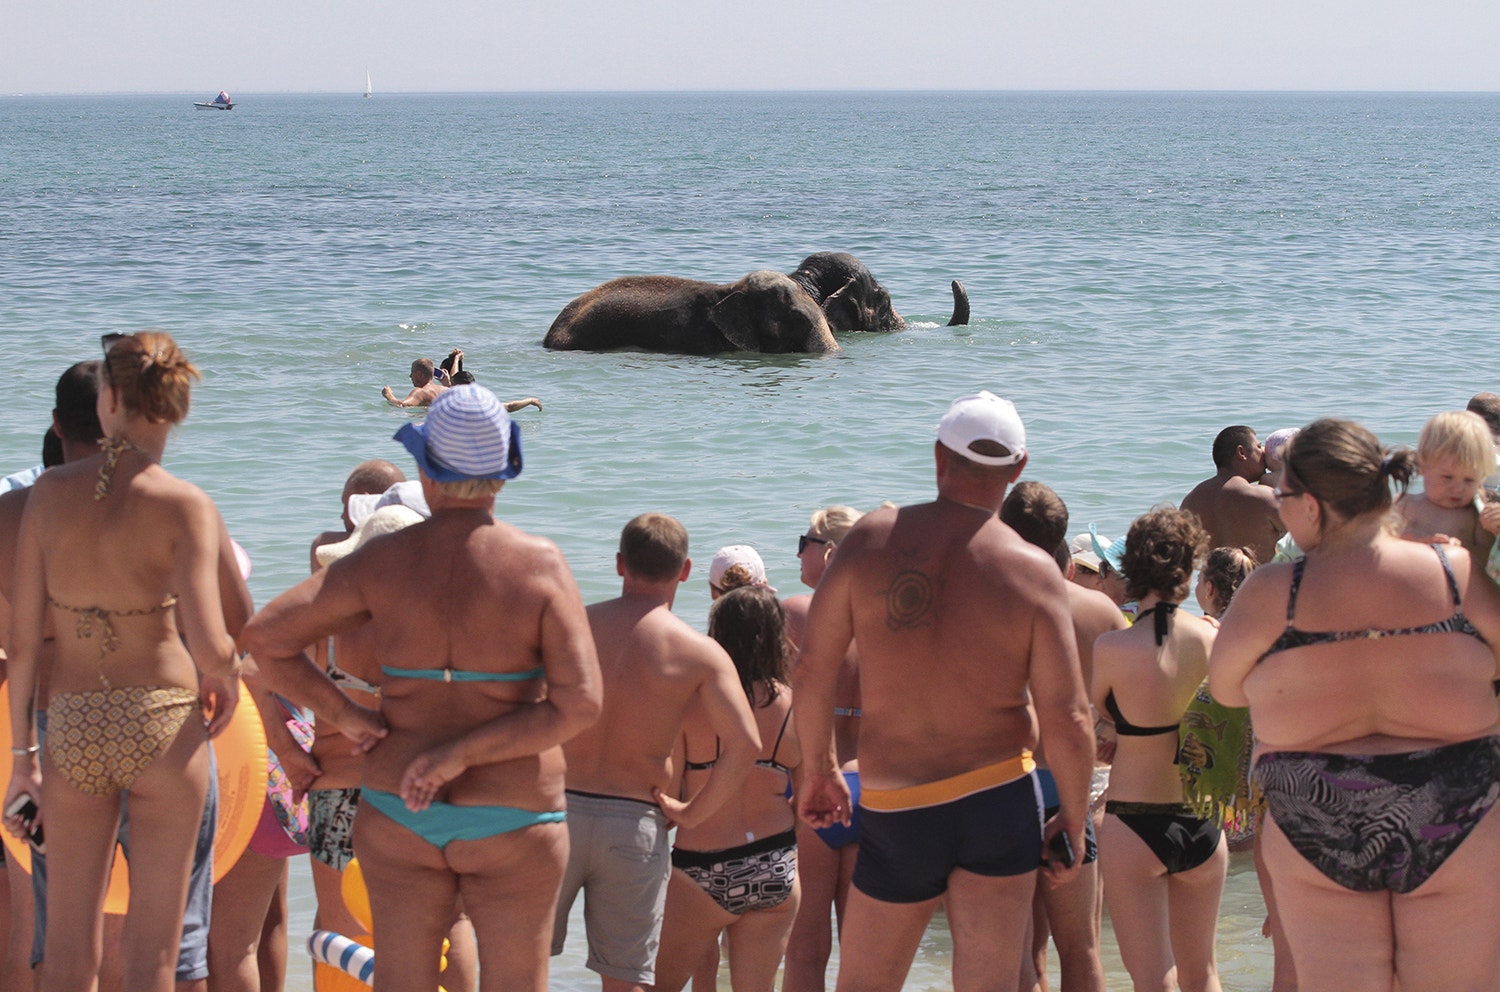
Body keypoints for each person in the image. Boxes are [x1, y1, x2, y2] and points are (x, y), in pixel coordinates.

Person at [241, 384, 602, 992]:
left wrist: (349, 718)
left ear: (425, 468)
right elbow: (581, 704)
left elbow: (265, 638)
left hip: (396, 805)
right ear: (504, 471)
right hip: (514, 812)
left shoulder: (382, 562)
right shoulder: (538, 565)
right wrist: (461, 754)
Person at [794, 391, 1094, 992]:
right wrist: (1075, 818)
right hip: (999, 799)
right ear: (1017, 470)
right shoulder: (1032, 570)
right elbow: (1069, 716)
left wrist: (820, 770)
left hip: (898, 805)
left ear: (938, 456)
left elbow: (813, 670)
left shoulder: (874, 539)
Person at [1210, 417, 1500, 991]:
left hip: (1314, 811)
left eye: (1284, 494)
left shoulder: (1274, 592)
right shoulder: (1453, 570)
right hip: (1456, 807)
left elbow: (1224, 689)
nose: (1279, 506)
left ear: (1312, 505)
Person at [3, 333, 244, 992]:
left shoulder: (49, 496)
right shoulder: (185, 503)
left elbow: (22, 643)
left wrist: (23, 757)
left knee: (69, 945)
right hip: (164, 726)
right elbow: (215, 641)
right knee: (153, 951)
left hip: (74, 723)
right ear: (172, 410)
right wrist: (226, 676)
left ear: (108, 403)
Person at [551, 513, 759, 992]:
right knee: (625, 982)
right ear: (685, 570)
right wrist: (691, 812)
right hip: (635, 822)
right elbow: (746, 744)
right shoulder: (697, 652)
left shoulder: (573, 627)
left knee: (520, 964)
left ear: (620, 564)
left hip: (556, 814)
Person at [1092, 506, 1226, 992]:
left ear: (1133, 570)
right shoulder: (1211, 639)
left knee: (1152, 979)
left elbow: (1086, 729)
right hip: (1201, 818)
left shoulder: (1110, 649)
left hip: (1133, 819)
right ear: (1190, 574)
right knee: (1203, 973)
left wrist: (1113, 735)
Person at [1001, 482, 1124, 992]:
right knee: (1082, 947)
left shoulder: (981, 603)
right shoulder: (1100, 613)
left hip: (1002, 786)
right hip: (1071, 787)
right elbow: (1124, 715)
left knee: (1018, 952)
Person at [652, 586, 803, 992]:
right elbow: (808, 802)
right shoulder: (794, 704)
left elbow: (667, 797)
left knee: (657, 985)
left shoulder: (694, 701)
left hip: (703, 867)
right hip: (776, 865)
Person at [781, 506, 865, 992]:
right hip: (870, 787)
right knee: (864, 956)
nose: (799, 551)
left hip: (817, 782)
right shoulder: (883, 620)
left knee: (805, 951)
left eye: (805, 541)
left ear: (830, 551)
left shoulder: (796, 613)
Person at [1395, 410, 1496, 557]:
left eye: (1469, 480)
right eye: (1447, 477)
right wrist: (1414, 539)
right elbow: (1378, 544)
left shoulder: (1476, 516)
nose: (1458, 488)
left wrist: (1462, 547)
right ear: (1422, 466)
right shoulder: (1404, 504)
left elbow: (1490, 560)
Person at [1180, 425, 1285, 564]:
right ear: (1241, 453)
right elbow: (1312, 538)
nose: (1264, 452)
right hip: (1260, 583)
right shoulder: (1264, 498)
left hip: (1212, 584)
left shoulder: (1190, 501)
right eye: (1259, 447)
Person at [307, 459, 407, 568]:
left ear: (364, 502)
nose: (342, 516)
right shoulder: (419, 539)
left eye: (346, 506)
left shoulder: (325, 544)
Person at [381, 358, 447, 408]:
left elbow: (401, 405)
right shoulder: (445, 389)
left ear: (419, 375)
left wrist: (388, 395)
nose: (410, 376)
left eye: (412, 372)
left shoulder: (421, 392)